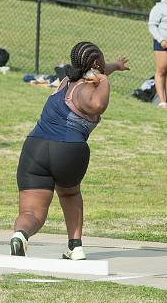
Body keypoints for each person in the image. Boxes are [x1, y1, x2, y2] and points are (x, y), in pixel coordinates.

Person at [11, 42, 129, 260]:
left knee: (31, 213)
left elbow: (99, 70)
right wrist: (104, 79)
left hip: (34, 148)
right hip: (68, 149)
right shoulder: (87, 89)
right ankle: (75, 247)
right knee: (70, 193)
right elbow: (97, 105)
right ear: (95, 64)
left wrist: (115, 66)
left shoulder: (66, 81)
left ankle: (21, 235)